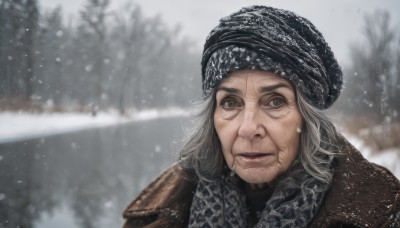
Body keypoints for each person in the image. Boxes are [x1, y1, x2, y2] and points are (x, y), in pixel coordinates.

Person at [122, 5, 400, 228]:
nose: (248, 128)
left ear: (308, 118)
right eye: (230, 102)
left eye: (275, 101)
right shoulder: (159, 212)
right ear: (212, 117)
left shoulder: (382, 213)